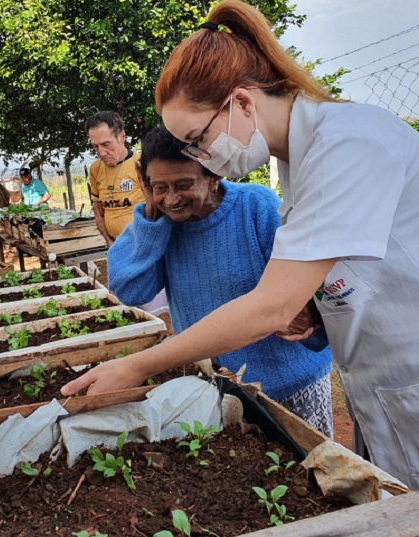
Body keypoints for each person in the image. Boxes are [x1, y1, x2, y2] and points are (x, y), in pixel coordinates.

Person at [63, 0, 419, 495]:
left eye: (198, 140)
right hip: (392, 381)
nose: (202, 158)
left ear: (242, 103)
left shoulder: (350, 143)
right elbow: (339, 276)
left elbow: (271, 305)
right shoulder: (302, 158)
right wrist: (316, 310)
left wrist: (138, 364)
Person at [108, 126, 334, 436]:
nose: (171, 199)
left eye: (184, 184)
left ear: (214, 175)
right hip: (219, 391)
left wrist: (308, 315)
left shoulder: (257, 207)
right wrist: (151, 218)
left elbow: (311, 295)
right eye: (159, 186)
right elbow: (130, 290)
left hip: (290, 386)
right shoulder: (161, 223)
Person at [85, 111, 145, 247]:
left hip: (142, 243)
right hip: (115, 244)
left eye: (106, 144)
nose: (101, 153)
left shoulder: (141, 165)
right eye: (95, 146)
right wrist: (108, 240)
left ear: (122, 136)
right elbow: (99, 211)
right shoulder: (95, 169)